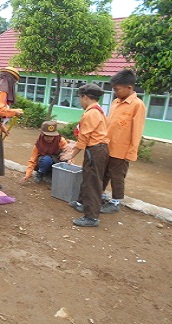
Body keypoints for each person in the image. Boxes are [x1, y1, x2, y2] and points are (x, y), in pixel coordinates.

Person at [61, 84, 109, 227]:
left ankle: (91, 217)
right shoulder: (98, 111)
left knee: (92, 182)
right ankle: (82, 203)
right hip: (97, 149)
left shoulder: (90, 114)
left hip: (95, 150)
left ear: (85, 97)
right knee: (88, 176)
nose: (80, 102)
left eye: (80, 98)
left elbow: (84, 138)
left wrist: (71, 154)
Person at [101, 69, 146, 214]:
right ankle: (100, 195)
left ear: (129, 88)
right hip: (108, 145)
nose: (115, 92)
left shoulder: (137, 105)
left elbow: (137, 131)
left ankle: (115, 202)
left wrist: (131, 152)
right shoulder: (115, 102)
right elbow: (109, 123)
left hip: (122, 150)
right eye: (114, 89)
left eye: (117, 89)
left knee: (117, 176)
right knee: (104, 173)